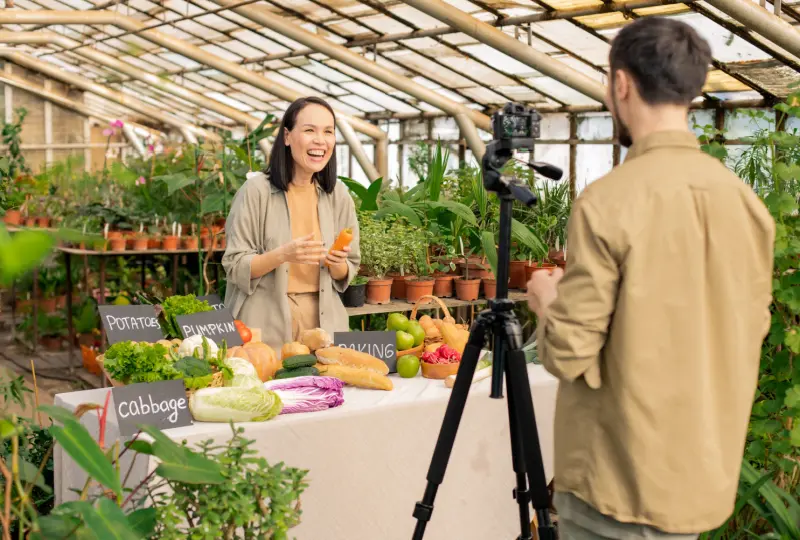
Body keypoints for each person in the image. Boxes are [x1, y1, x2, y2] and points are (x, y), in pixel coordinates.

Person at [526, 17, 775, 539]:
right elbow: (748, 328)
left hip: (617, 483)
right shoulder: (745, 204)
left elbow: (569, 352)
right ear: (692, 86)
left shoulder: (609, 201)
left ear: (621, 84)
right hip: (697, 481)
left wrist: (547, 298)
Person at [222, 97, 360, 351]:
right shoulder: (256, 191)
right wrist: (282, 255)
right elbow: (235, 265)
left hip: (324, 324)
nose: (320, 140)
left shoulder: (338, 195)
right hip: (265, 322)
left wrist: (337, 263)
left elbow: (348, 269)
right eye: (309, 130)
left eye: (328, 132)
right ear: (287, 136)